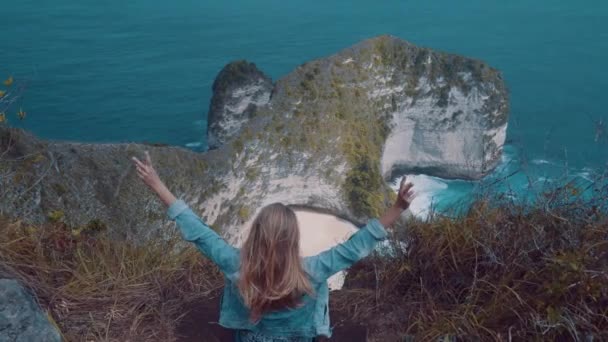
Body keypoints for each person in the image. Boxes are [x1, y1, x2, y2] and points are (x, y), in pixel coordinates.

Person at [132, 151, 415, 342]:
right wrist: (398, 208)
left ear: (255, 235)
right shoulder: (312, 271)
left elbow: (199, 233)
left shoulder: (235, 264)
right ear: (292, 240)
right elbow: (357, 246)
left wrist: (158, 186)